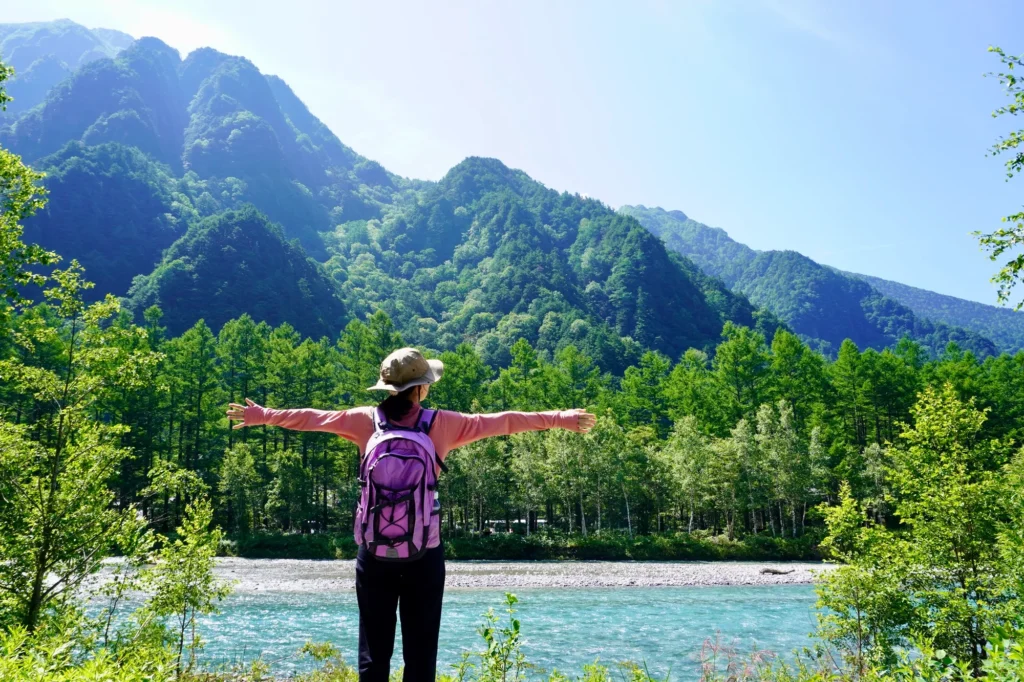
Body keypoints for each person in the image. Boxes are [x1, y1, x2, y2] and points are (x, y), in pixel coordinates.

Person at [226, 347, 596, 682]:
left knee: (374, 655)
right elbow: (503, 421)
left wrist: (263, 416)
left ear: (386, 388)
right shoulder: (443, 425)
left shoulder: (363, 421)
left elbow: (313, 418)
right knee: (420, 657)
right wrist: (559, 418)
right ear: (420, 388)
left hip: (373, 553)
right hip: (424, 552)